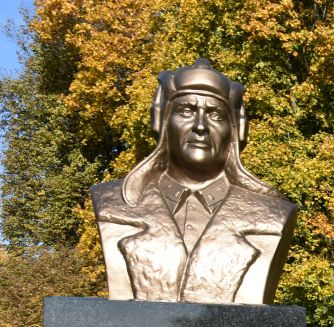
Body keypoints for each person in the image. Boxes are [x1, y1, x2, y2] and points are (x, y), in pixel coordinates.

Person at [90, 59, 296, 304]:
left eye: (215, 115)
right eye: (186, 111)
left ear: (235, 131)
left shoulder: (272, 216)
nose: (200, 126)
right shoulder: (111, 202)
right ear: (162, 122)